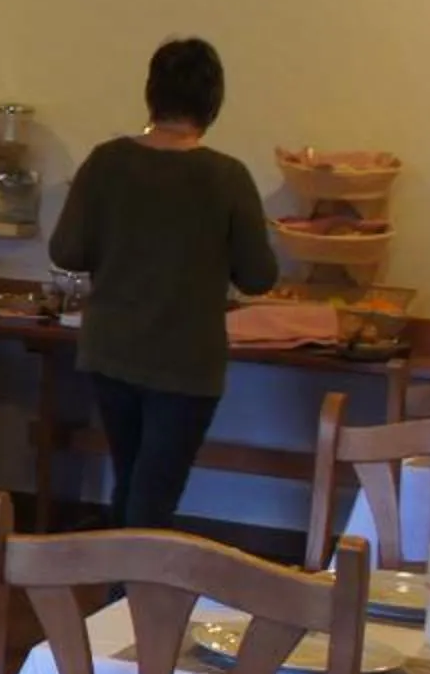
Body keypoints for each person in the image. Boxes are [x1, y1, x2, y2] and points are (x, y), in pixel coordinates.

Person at [48, 38, 277, 531]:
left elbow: (65, 251)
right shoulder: (227, 177)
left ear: (151, 92)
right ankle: (125, 602)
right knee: (153, 496)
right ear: (213, 102)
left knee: (131, 482)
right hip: (185, 362)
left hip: (110, 350)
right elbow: (258, 276)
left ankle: (117, 601)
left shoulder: (106, 162)